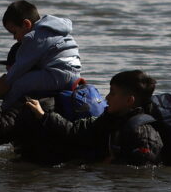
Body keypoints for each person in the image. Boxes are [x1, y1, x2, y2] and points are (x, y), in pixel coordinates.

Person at [26, 70, 163, 166]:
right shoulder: (111, 119)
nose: (107, 97)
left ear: (129, 100)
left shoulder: (143, 132)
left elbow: (144, 171)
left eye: (113, 93)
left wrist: (107, 166)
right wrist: (44, 116)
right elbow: (76, 131)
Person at [0, 0, 82, 109]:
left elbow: (21, 66)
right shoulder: (55, 29)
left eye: (14, 32)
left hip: (58, 74)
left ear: (26, 24)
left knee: (19, 84)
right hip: (75, 73)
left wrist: (5, 83)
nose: (14, 38)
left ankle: (4, 110)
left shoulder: (34, 37)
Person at [0, 75, 76, 165]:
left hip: (42, 173)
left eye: (10, 70)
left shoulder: (30, 102)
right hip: (69, 170)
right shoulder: (67, 92)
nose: (6, 76)